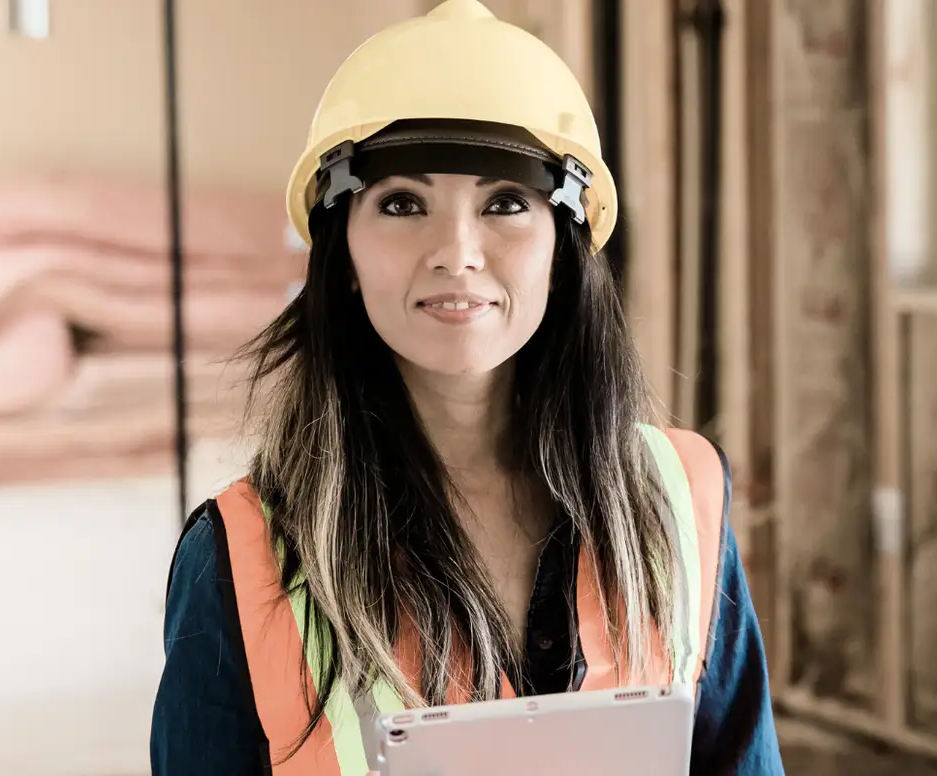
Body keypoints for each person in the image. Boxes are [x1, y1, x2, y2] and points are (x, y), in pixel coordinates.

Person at [147, 1, 784, 773]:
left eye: (505, 203)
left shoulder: (684, 499)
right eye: (403, 204)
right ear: (341, 250)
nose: (456, 252)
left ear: (565, 246)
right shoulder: (242, 555)